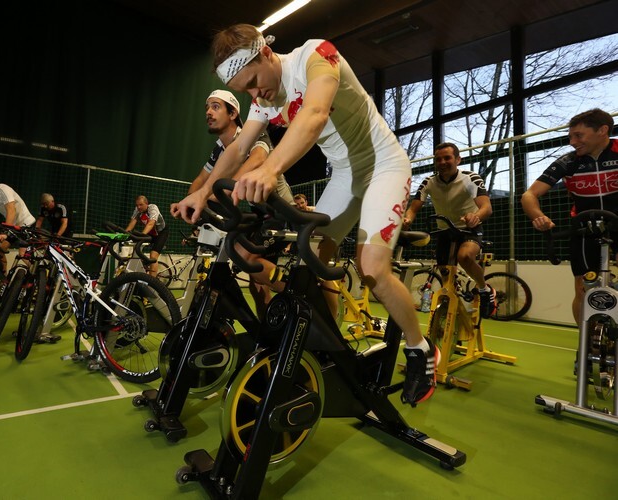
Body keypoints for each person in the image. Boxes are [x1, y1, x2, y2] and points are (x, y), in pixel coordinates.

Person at [173, 24, 437, 407]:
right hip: (345, 176)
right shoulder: (265, 99)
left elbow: (313, 114)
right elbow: (238, 147)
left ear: (264, 54)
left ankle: (419, 348)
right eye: (244, 90)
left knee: (372, 267)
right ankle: (333, 346)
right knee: (307, 265)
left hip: (383, 164)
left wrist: (270, 169)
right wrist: (201, 191)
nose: (254, 93)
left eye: (253, 82)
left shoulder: (315, 55)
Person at [176, 89, 294, 318]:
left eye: (216, 106)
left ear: (233, 113)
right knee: (255, 284)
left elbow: (259, 157)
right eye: (207, 108)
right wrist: (189, 201)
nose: (208, 112)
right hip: (259, 213)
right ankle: (266, 336)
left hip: (281, 211)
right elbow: (201, 180)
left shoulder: (248, 133)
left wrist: (226, 188)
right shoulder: (220, 149)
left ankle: (300, 294)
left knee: (246, 258)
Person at [521, 108, 618, 324]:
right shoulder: (568, 162)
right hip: (585, 228)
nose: (573, 142)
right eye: (570, 136)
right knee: (583, 288)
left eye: (579, 135)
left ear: (602, 130)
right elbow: (529, 195)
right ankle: (585, 344)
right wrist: (538, 216)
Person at [402, 142, 497, 318]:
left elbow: (486, 207)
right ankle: (451, 306)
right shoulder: (429, 182)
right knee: (445, 273)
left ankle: (485, 290)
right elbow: (413, 208)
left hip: (469, 229)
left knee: (465, 256)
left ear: (458, 159)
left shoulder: (470, 178)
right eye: (438, 159)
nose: (442, 162)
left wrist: (475, 216)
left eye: (447, 158)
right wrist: (407, 219)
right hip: (445, 231)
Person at [125, 195, 168, 277]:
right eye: (137, 205)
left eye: (141, 205)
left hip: (161, 233)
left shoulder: (152, 208)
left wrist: (142, 235)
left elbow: (151, 223)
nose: (138, 207)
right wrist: (124, 234)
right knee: (136, 249)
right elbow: (132, 222)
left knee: (153, 256)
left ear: (146, 203)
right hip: (151, 233)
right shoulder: (137, 210)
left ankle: (152, 282)